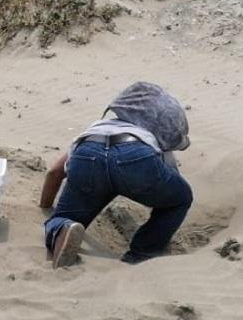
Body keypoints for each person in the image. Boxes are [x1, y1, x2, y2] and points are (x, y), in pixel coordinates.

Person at [39, 82, 194, 268]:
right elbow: (170, 183)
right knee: (180, 198)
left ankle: (62, 228)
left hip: (88, 153)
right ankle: (140, 256)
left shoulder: (99, 127)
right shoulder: (153, 139)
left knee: (62, 219)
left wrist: (45, 207)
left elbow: (54, 172)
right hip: (135, 156)